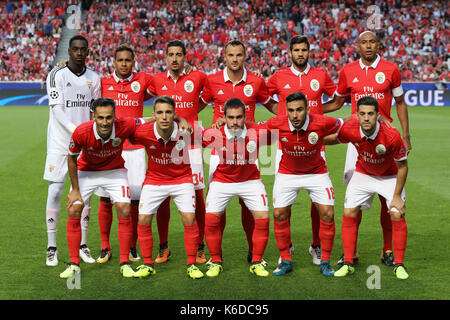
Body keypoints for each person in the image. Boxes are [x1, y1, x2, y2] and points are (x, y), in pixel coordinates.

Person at [324, 30, 411, 267]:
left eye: (373, 42)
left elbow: (401, 103)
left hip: (386, 139)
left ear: (378, 44)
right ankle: (351, 253)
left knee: (387, 200)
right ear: (358, 46)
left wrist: (405, 134)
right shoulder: (347, 71)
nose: (369, 46)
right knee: (355, 200)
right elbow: (337, 102)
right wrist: (311, 113)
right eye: (364, 42)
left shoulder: (391, 69)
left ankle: (388, 249)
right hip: (357, 139)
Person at [200, 39, 277, 263]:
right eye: (231, 55)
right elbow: (196, 106)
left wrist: (298, 116)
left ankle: (253, 251)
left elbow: (273, 107)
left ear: (245, 56)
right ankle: (217, 253)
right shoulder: (212, 80)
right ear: (224, 56)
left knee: (249, 202)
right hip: (219, 150)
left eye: (239, 55)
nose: (235, 59)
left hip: (249, 148)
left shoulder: (256, 81)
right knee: (217, 205)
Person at [267, 35, 337, 265]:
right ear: (290, 52)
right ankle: (286, 248)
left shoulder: (321, 75)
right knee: (283, 203)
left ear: (309, 52)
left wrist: (315, 115)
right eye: (296, 50)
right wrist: (281, 116)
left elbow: (336, 102)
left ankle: (316, 245)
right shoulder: (278, 77)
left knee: (319, 204)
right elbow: (266, 99)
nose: (300, 53)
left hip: (316, 142)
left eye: (304, 50)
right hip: (286, 146)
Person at [59, 97, 148, 279]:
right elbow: (71, 158)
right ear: (94, 117)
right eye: (100, 118)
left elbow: (145, 120)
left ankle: (124, 262)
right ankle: (74, 263)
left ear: (115, 116)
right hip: (87, 171)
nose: (105, 122)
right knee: (75, 208)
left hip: (115, 171)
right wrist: (75, 189)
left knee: (124, 207)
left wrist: (170, 118)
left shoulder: (125, 125)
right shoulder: (81, 132)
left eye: (108, 117)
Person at [259, 92, 345, 277]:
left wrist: (375, 120)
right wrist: (223, 124)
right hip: (287, 173)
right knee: (279, 213)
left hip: (316, 173)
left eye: (299, 110)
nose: (295, 115)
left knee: (328, 214)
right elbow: (251, 128)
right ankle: (285, 260)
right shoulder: (277, 123)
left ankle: (325, 262)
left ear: (307, 109)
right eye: (291, 110)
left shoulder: (321, 122)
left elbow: (344, 123)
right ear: (286, 111)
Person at [325, 96, 409, 280]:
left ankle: (399, 265)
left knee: (396, 212)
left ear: (378, 115)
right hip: (363, 173)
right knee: (349, 211)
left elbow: (403, 166)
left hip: (389, 176)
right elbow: (335, 139)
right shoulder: (351, 129)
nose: (366, 118)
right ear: (356, 114)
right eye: (362, 114)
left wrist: (396, 196)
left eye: (370, 114)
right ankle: (348, 262)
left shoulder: (391, 135)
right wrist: (314, 140)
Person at [130, 96, 204, 279]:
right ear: (154, 115)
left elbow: (216, 134)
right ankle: (147, 264)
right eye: (160, 112)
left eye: (169, 112)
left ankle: (191, 264)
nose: (164, 117)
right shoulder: (142, 132)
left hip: (182, 179)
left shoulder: (187, 132)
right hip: (155, 180)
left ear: (174, 115)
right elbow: (124, 128)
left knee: (188, 217)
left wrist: (184, 121)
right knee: (144, 219)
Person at [148, 40, 208, 265]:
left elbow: (207, 97)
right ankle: (164, 246)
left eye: (178, 55)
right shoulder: (156, 80)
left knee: (198, 197)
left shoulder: (199, 77)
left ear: (185, 57)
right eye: (170, 54)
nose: (174, 58)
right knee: (162, 195)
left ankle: (200, 246)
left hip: (191, 146)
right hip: (164, 146)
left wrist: (191, 113)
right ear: (165, 57)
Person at [44, 35, 100, 267]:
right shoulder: (56, 74)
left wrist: (87, 135)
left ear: (88, 51)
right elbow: (57, 110)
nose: (78, 52)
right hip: (60, 141)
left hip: (84, 143)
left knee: (84, 195)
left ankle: (83, 244)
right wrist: (76, 131)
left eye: (82, 49)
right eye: (75, 49)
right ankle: (51, 247)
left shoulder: (94, 78)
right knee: (56, 191)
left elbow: (95, 111)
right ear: (69, 51)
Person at [94, 44, 153, 264]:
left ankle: (132, 246)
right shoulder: (102, 83)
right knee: (106, 198)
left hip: (135, 150)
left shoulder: (143, 80)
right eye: (121, 60)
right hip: (108, 149)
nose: (124, 64)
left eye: (128, 60)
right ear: (114, 62)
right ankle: (105, 246)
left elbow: (165, 86)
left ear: (133, 62)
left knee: (135, 200)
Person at [202, 98, 271, 277]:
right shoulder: (213, 132)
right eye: (230, 117)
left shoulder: (257, 131)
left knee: (263, 218)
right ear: (223, 117)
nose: (234, 122)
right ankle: (215, 260)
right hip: (222, 180)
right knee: (210, 219)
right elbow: (186, 137)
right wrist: (180, 121)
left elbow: (280, 124)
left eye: (238, 117)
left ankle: (257, 260)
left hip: (250, 180)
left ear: (245, 117)